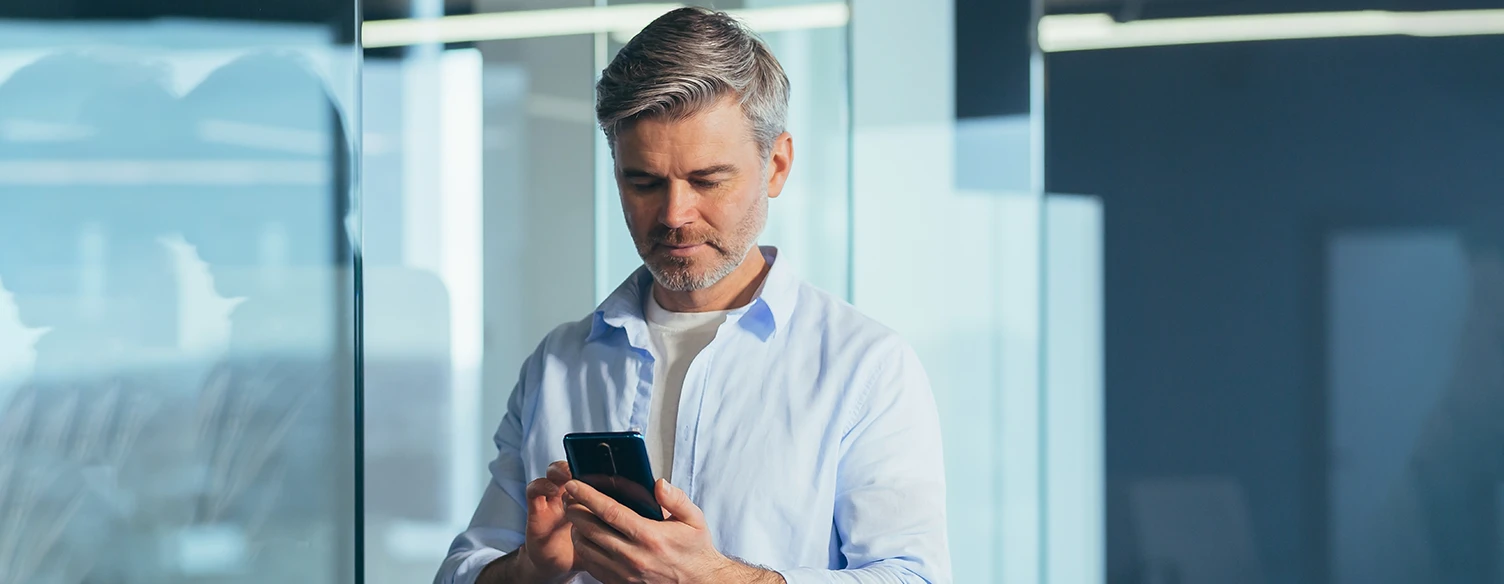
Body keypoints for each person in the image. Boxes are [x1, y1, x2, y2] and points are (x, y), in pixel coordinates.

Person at [436, 7, 950, 584]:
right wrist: (531, 567)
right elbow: (463, 570)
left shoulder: (866, 368)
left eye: (707, 180)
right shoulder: (558, 364)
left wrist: (715, 578)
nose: (676, 215)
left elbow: (914, 578)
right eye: (645, 182)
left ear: (776, 165)